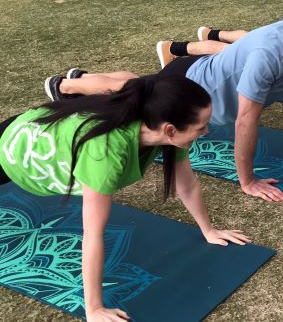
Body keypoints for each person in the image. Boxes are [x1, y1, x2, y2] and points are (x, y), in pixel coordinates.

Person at [0, 76, 250, 322]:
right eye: (201, 127)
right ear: (170, 130)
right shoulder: (105, 153)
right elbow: (93, 234)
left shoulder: (155, 119)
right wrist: (94, 308)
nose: (207, 131)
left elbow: (187, 186)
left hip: (36, 132)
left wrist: (209, 230)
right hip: (14, 151)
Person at [44, 6, 283, 203]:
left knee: (134, 85)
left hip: (202, 76)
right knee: (129, 91)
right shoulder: (269, 56)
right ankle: (67, 85)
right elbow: (245, 120)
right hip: (189, 85)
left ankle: (79, 78)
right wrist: (247, 181)